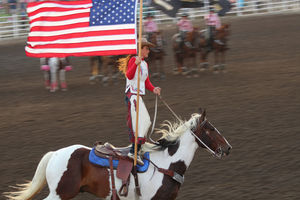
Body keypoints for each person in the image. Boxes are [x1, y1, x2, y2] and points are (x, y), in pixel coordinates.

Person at [118, 38, 161, 165]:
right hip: (132, 94)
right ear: (140, 49)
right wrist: (136, 63)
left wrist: (154, 89)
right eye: (146, 48)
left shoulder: (145, 64)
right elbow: (129, 75)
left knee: (146, 120)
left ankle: (138, 148)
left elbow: (146, 82)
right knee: (139, 121)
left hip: (138, 96)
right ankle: (134, 151)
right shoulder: (134, 60)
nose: (148, 50)